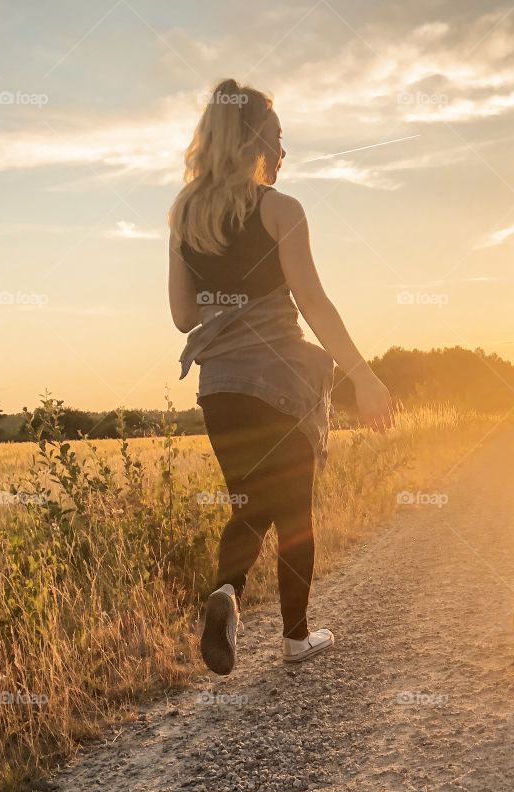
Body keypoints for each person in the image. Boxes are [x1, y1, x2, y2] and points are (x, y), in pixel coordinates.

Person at [168, 78, 393, 675]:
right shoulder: (280, 210)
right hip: (280, 383)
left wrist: (224, 296)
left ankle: (228, 593)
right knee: (293, 512)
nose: (284, 151)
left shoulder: (185, 218)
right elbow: (314, 303)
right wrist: (363, 377)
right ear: (253, 142)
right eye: (278, 137)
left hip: (219, 389)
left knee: (249, 500)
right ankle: (295, 638)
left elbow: (183, 316)